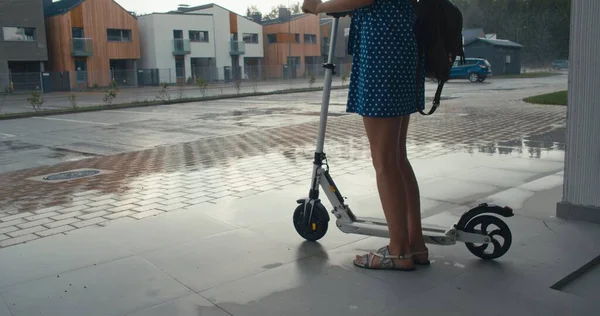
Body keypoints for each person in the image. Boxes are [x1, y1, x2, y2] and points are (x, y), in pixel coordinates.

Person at [301, 0, 428, 271]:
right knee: (397, 159)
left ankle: (398, 252)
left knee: (385, 162)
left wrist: (318, 7)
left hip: (382, 56)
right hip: (398, 51)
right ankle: (414, 244)